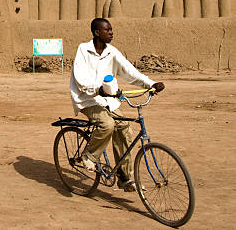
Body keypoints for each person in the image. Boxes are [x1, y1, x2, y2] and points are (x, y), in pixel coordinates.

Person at [69, 18, 164, 192]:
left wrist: (150, 84)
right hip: (87, 99)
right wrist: (97, 89)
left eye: (111, 29)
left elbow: (130, 72)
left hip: (109, 101)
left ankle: (124, 177)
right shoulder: (84, 49)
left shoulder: (112, 52)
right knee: (107, 124)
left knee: (125, 127)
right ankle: (89, 156)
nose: (111, 32)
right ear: (97, 32)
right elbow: (80, 79)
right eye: (108, 30)